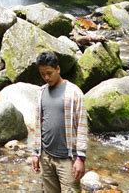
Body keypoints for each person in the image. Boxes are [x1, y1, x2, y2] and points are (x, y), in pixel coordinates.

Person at [31, 51, 87, 193]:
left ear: (58, 69)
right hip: (46, 156)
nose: (46, 77)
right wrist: (36, 153)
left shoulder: (74, 92)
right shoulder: (41, 92)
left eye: (49, 73)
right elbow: (39, 125)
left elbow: (82, 126)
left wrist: (80, 158)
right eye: (42, 74)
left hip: (68, 159)